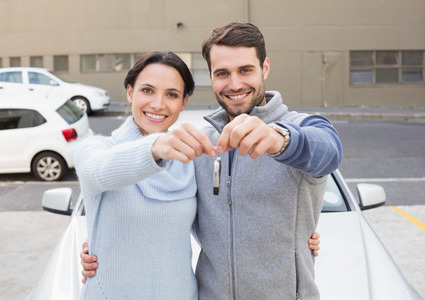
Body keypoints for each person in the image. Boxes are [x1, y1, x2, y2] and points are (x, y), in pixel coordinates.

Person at [82, 22, 341, 299]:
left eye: (245, 70)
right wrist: (104, 240)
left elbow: (329, 151)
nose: (235, 84)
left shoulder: (297, 127)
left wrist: (280, 139)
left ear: (265, 68)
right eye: (222, 73)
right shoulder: (201, 148)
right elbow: (143, 202)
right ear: (211, 78)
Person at [74, 50, 217, 299]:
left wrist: (301, 237)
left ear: (183, 102)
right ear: (130, 92)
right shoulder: (96, 149)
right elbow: (100, 170)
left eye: (171, 95)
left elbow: (222, 223)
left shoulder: (192, 163)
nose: (158, 104)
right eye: (147, 90)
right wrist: (155, 148)